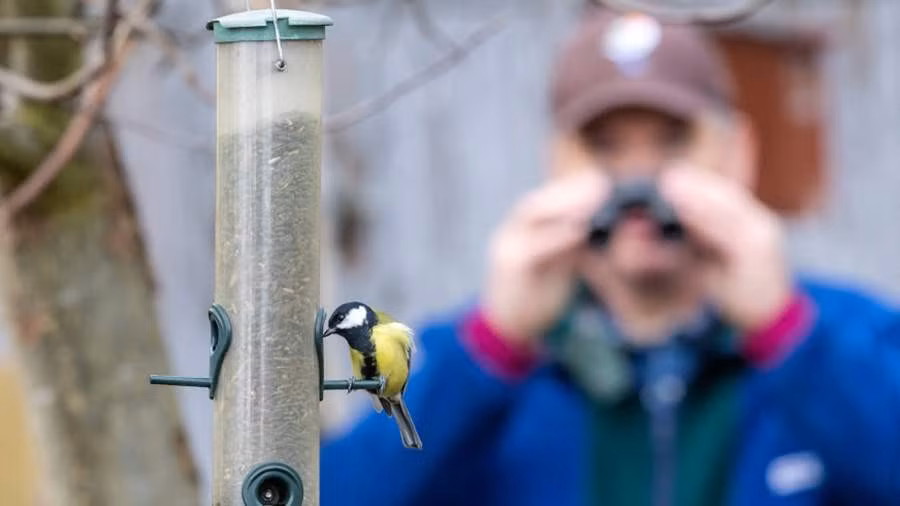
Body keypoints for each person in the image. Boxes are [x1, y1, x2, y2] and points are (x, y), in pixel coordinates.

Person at [321, 7, 900, 506]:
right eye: (604, 147)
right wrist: (488, 352)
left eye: (672, 141)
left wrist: (789, 339)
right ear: (555, 165)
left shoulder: (845, 337)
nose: (637, 178)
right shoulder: (485, 362)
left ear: (737, 154)